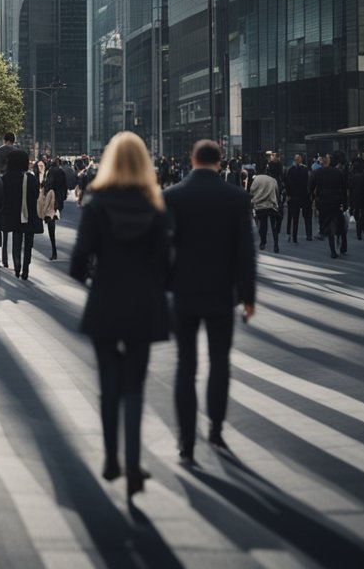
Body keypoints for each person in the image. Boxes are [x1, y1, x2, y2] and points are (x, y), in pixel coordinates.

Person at [69, 132, 170, 498]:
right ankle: (133, 464)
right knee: (134, 387)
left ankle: (111, 457)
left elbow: (78, 262)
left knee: (109, 384)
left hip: (106, 303)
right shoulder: (155, 206)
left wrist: (95, 280)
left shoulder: (97, 205)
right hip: (144, 305)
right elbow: (165, 263)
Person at [165, 139, 256, 463]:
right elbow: (245, 252)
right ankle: (216, 429)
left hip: (183, 294)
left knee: (185, 367)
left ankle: (186, 442)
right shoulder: (236, 198)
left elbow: (162, 250)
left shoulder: (172, 196)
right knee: (219, 363)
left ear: (192, 160)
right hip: (221, 294)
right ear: (220, 162)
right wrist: (248, 297)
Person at [0, 150, 42, 280]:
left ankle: (17, 266)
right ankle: (25, 269)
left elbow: (3, 197)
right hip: (30, 214)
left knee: (16, 240)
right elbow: (36, 195)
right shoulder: (31, 178)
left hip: (13, 215)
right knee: (28, 243)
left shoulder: (5, 178)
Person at [312, 153, 349, 258]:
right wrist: (345, 204)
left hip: (323, 201)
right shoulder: (339, 173)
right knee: (341, 223)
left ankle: (332, 248)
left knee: (328, 225)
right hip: (336, 201)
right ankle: (343, 246)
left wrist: (314, 200)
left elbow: (312, 187)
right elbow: (344, 189)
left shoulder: (318, 172)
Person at [249, 167, 282, 253]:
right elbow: (277, 193)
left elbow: (251, 191)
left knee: (263, 225)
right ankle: (276, 245)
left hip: (261, 206)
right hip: (272, 205)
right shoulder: (273, 180)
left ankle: (263, 243)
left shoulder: (256, 179)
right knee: (274, 226)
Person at [284, 153, 313, 242]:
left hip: (294, 196)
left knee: (295, 217)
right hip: (304, 195)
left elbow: (287, 183)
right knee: (307, 216)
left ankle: (294, 236)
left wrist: (289, 194)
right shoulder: (306, 170)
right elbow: (309, 183)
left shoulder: (290, 170)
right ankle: (308, 234)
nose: (296, 160)